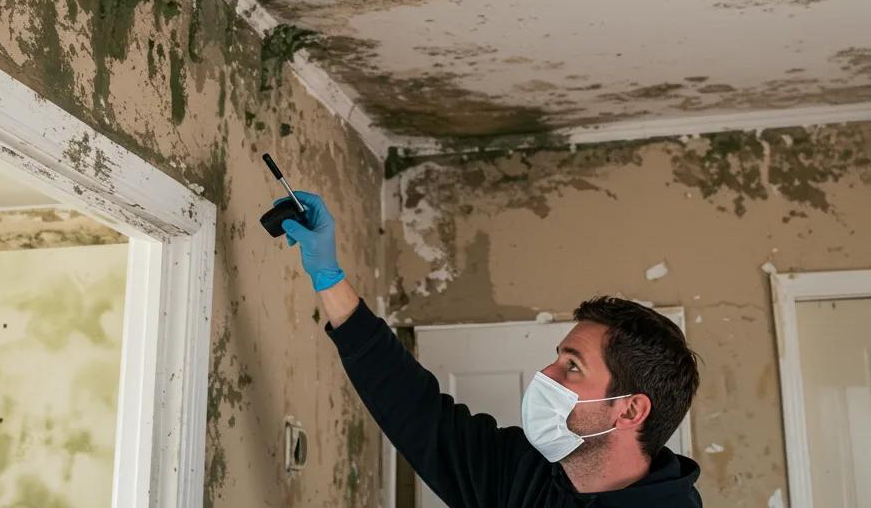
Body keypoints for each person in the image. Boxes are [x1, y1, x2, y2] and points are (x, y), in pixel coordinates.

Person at [275, 190, 703, 507]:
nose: (546, 374)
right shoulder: (521, 474)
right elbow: (413, 408)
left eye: (572, 367)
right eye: (557, 358)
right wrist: (328, 276)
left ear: (629, 410)